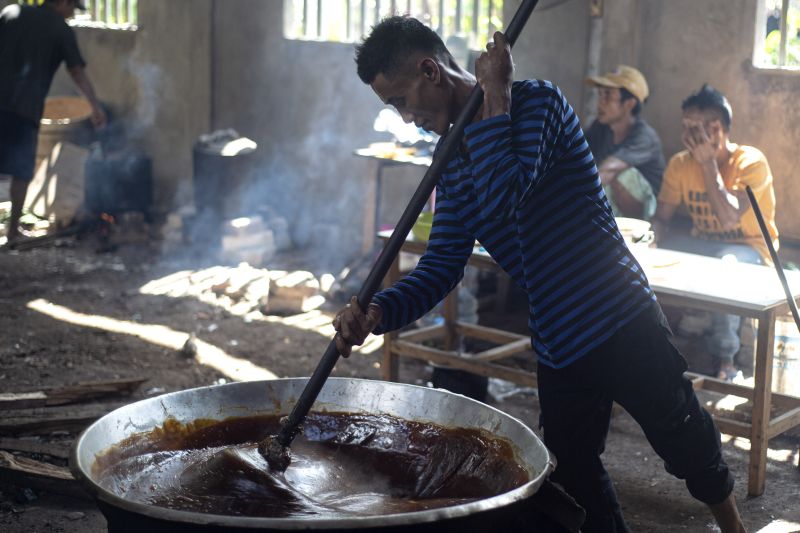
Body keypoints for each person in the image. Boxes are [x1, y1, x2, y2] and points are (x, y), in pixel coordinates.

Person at [334, 16, 747, 533]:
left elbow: (507, 198)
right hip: (558, 339)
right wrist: (378, 311)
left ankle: (734, 528)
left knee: (683, 435)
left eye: (399, 100)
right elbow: (442, 265)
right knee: (572, 470)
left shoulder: (536, 105)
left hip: (619, 314)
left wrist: (496, 96)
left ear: (430, 71)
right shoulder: (450, 158)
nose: (404, 117)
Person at [653, 84, 778, 381]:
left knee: (727, 267)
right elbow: (662, 217)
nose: (686, 136)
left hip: (749, 250)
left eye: (693, 128)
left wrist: (708, 163)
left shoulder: (750, 162)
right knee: (652, 258)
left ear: (717, 128)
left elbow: (728, 218)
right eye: (684, 127)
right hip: (703, 245)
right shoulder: (680, 164)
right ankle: (653, 352)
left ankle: (726, 361)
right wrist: (651, 241)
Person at [0, 0, 106, 244]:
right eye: (71, 8)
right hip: (24, 108)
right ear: (61, 3)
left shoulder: (11, 11)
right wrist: (95, 106)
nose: (70, 15)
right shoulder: (61, 29)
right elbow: (76, 72)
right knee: (21, 171)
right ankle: (13, 231)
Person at [585, 65, 665, 219]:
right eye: (600, 95)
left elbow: (606, 171)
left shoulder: (645, 137)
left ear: (629, 104)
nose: (600, 102)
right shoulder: (600, 127)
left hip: (647, 215)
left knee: (617, 174)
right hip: (614, 207)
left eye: (607, 95)